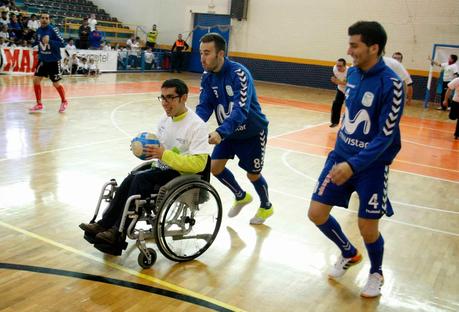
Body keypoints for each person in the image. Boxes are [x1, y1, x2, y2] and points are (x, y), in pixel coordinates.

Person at [307, 21, 405, 298]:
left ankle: (376, 272)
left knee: (367, 227)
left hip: (370, 167)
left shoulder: (392, 85)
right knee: (316, 213)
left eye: (354, 45)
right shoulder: (351, 74)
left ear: (374, 48)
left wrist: (354, 165)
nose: (349, 50)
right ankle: (349, 253)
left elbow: (385, 136)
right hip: (339, 157)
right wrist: (343, 158)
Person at [79, 79, 210, 248]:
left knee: (140, 181)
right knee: (132, 177)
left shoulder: (197, 126)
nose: (164, 103)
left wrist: (164, 154)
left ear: (184, 98)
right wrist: (144, 151)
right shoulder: (164, 120)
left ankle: (118, 233)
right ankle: (104, 224)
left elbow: (199, 164)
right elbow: (159, 148)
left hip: (183, 174)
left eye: (170, 98)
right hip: (164, 167)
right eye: (162, 98)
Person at [196, 32, 273, 225]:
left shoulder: (239, 73)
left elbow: (241, 110)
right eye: (201, 53)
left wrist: (221, 132)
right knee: (215, 168)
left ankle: (266, 206)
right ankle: (241, 196)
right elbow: (205, 106)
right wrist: (193, 126)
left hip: (252, 133)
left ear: (220, 54)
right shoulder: (207, 78)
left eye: (207, 53)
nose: (202, 58)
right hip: (228, 134)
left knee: (252, 174)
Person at [29, 13, 68, 113]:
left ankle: (64, 101)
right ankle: (39, 104)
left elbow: (63, 43)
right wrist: (38, 52)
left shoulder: (53, 30)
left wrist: (50, 41)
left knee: (56, 84)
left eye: (46, 18)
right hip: (43, 60)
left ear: (49, 20)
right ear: (40, 20)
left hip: (54, 61)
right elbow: (39, 43)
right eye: (42, 18)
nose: (44, 20)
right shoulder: (38, 30)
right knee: (36, 80)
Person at [330, 58, 348, 127]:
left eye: (340, 66)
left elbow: (347, 83)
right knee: (336, 104)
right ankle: (334, 122)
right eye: (337, 65)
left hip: (348, 90)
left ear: (344, 66)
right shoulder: (335, 69)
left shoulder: (349, 71)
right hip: (340, 89)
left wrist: (337, 82)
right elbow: (336, 77)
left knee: (349, 107)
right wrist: (335, 80)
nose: (338, 67)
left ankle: (347, 123)